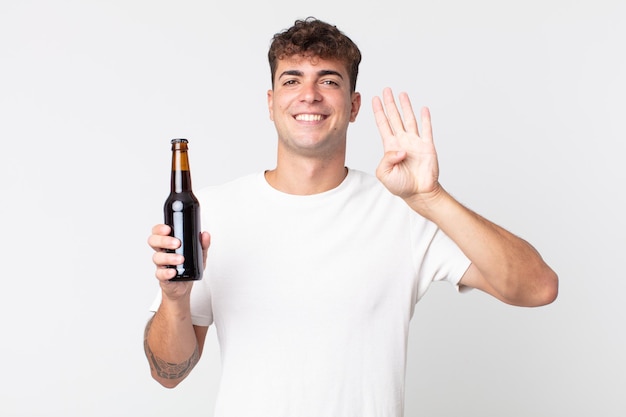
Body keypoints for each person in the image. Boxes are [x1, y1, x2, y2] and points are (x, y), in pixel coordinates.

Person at [144, 17, 558, 417]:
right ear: (271, 104)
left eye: (328, 80)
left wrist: (431, 197)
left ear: (354, 105)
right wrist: (175, 301)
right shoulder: (212, 212)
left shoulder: (405, 209)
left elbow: (537, 288)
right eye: (292, 79)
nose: (309, 94)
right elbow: (168, 372)